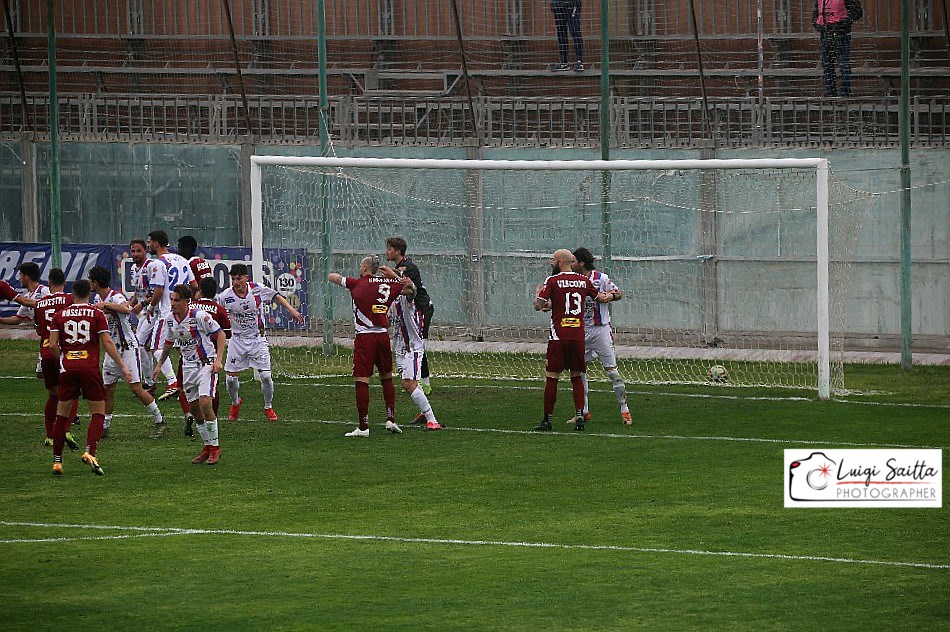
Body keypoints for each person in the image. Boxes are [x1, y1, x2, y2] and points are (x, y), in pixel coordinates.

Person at [48, 279, 132, 476]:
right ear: (89, 293)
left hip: (68, 367)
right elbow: (107, 342)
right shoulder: (96, 314)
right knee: (98, 413)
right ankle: (90, 452)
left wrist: (63, 357)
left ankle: (57, 461)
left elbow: (52, 345)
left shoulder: (60, 315)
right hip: (89, 368)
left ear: (72, 294)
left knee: (61, 415)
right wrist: (123, 367)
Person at [329, 255, 414, 437]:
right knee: (387, 377)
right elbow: (409, 288)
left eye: (361, 266)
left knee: (362, 380)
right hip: (382, 336)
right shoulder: (388, 284)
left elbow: (332, 276)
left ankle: (363, 427)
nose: (360, 268)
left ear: (365, 268)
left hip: (365, 337)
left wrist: (345, 280)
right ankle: (391, 419)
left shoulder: (357, 283)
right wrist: (394, 276)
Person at [532, 249, 608, 432]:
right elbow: (599, 297)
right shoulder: (584, 281)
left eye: (553, 259)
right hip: (577, 337)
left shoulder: (553, 281)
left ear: (560, 262)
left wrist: (538, 294)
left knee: (552, 377)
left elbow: (538, 305)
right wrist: (615, 294)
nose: (551, 262)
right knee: (576, 376)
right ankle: (580, 416)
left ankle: (547, 420)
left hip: (558, 337)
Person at [218, 263, 304, 422]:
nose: (235, 282)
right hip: (237, 341)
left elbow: (276, 296)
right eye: (233, 279)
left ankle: (268, 407)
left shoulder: (257, 289)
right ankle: (235, 403)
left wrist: (292, 310)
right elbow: (218, 314)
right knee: (230, 380)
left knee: (265, 377)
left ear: (246, 278)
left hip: (257, 339)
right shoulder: (225, 297)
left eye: (238, 278)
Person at [87, 265, 165, 439]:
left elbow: (126, 309)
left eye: (91, 280)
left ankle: (160, 420)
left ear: (96, 282)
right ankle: (105, 427)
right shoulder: (97, 299)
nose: (89, 283)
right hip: (111, 350)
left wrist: (106, 305)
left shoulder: (115, 296)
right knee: (108, 388)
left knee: (136, 388)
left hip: (127, 348)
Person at [153, 284, 226, 465]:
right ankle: (207, 446)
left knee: (205, 403)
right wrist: (159, 365)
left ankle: (215, 448)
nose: (173, 303)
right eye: (171, 299)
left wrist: (218, 360)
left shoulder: (199, 316)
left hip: (206, 364)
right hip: (188, 367)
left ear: (187, 301)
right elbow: (168, 343)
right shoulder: (170, 320)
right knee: (194, 409)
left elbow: (221, 335)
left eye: (177, 300)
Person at [572, 247, 631, 425]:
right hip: (580, 331)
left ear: (581, 262)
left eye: (573, 261)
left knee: (612, 371)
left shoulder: (601, 278)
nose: (571, 264)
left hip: (601, 331)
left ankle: (625, 409)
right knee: (578, 371)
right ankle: (583, 411)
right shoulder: (572, 280)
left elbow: (619, 293)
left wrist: (609, 296)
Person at [387, 267, 442, 431]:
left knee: (408, 383)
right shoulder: (390, 302)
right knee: (410, 384)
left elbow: (411, 290)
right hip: (399, 349)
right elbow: (387, 323)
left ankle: (432, 420)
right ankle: (425, 414)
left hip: (413, 347)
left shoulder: (407, 298)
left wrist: (397, 277)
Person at [175, 276, 231, 437]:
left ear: (199, 290)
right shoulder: (219, 309)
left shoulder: (190, 308)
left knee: (183, 387)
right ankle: (212, 419)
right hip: (209, 357)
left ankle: (188, 414)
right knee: (211, 391)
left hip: (188, 354)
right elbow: (227, 333)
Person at [145, 230, 195, 401]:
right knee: (183, 348)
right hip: (185, 312)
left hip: (168, 312)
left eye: (149, 242)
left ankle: (173, 382)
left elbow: (158, 290)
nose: (148, 245)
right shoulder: (182, 260)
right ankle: (189, 381)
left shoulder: (158, 263)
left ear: (156, 243)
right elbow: (194, 285)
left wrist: (150, 307)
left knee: (156, 348)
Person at [385, 236, 434, 398]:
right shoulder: (400, 267)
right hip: (412, 311)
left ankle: (422, 383)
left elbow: (407, 288)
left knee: (418, 345)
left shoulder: (408, 267)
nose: (387, 252)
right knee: (412, 345)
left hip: (422, 309)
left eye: (390, 249)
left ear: (398, 251)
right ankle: (416, 381)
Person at [127, 238, 166, 395]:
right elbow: (138, 292)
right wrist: (131, 302)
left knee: (141, 344)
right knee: (143, 346)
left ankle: (151, 383)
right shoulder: (133, 269)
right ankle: (149, 382)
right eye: (133, 251)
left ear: (145, 251)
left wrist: (142, 305)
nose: (135, 254)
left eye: (139, 250)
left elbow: (158, 292)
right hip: (145, 313)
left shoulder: (152, 266)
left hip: (155, 311)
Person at [813, 0, 863, 97]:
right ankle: (831, 95)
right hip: (825, 35)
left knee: (844, 65)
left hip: (841, 35)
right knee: (827, 66)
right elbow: (816, 14)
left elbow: (857, 11)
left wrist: (843, 23)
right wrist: (818, 25)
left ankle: (845, 95)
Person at [550, 0, 584, 72]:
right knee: (561, 33)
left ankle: (579, 61)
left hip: (571, 4)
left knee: (575, 31)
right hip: (557, 5)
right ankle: (564, 62)